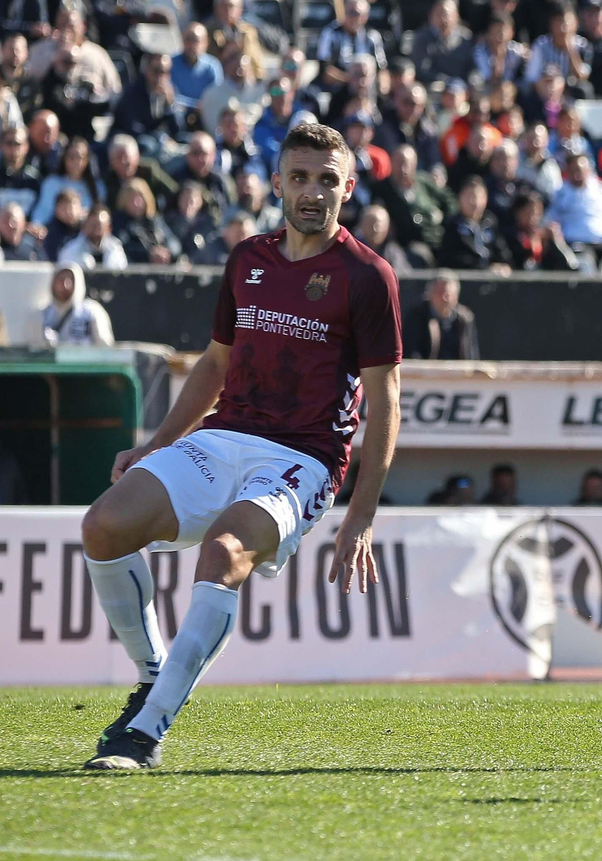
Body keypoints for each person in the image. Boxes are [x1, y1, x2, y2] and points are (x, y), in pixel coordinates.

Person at [79, 122, 403, 771]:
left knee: (224, 551)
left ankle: (144, 732)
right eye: (301, 177)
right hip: (222, 437)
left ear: (348, 188)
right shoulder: (247, 260)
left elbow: (387, 401)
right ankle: (151, 674)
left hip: (302, 459)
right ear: (277, 182)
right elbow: (214, 364)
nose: (313, 192)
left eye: (328, 180)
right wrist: (157, 443)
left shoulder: (368, 277)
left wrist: (360, 516)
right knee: (103, 526)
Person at [402, 273, 479, 361]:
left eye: (448, 294)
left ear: (456, 297)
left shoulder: (464, 319)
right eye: (439, 293)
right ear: (430, 294)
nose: (444, 298)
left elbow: (471, 355)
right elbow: (411, 352)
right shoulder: (417, 316)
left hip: (457, 372)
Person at [38, 263, 115, 347]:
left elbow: (105, 346)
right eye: (60, 280)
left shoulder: (91, 311)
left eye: (69, 280)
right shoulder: (44, 314)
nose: (64, 285)